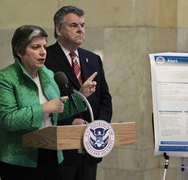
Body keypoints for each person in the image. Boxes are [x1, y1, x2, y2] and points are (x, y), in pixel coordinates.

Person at [0, 25, 97, 180]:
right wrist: (45, 107)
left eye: (44, 46)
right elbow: (8, 120)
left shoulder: (48, 74)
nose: (43, 52)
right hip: (19, 158)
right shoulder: (4, 79)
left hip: (51, 152)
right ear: (20, 52)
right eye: (36, 47)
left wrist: (81, 95)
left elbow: (56, 110)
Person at [45, 5, 113, 180]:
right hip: (61, 149)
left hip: (91, 146)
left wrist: (98, 127)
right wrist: (69, 121)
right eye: (74, 25)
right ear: (59, 29)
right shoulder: (45, 58)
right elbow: (43, 101)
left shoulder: (93, 58)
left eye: (82, 25)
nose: (80, 30)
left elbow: (104, 99)